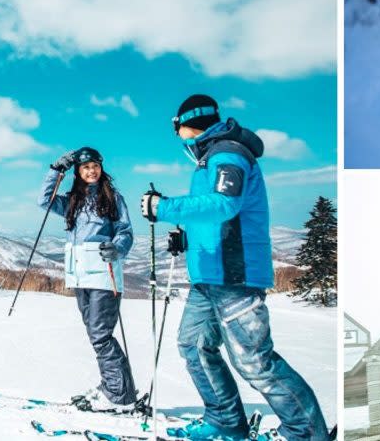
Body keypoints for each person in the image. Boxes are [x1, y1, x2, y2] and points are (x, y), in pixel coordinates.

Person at [140, 94, 329, 441]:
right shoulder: (208, 158)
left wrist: (163, 207)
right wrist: (188, 238)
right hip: (208, 275)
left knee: (254, 360)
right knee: (194, 345)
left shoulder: (228, 153)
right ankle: (225, 421)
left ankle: (306, 433)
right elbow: (213, 216)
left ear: (185, 124)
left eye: (176, 127)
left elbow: (226, 203)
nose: (176, 134)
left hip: (234, 275)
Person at [39, 147, 136, 411]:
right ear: (78, 173)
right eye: (85, 168)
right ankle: (116, 388)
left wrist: (118, 247)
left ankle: (119, 396)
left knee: (100, 335)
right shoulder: (73, 200)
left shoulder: (113, 198)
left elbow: (125, 231)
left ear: (101, 168)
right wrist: (55, 169)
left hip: (105, 276)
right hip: (79, 276)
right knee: (96, 335)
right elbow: (44, 200)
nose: (91, 171)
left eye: (95, 166)